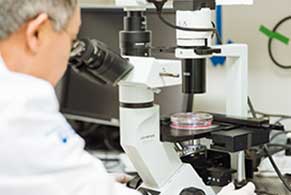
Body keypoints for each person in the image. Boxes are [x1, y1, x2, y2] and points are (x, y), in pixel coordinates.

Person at [0, 0, 256, 195]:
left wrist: (97, 183)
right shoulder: (22, 109)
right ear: (37, 33)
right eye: (72, 40)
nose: (72, 54)